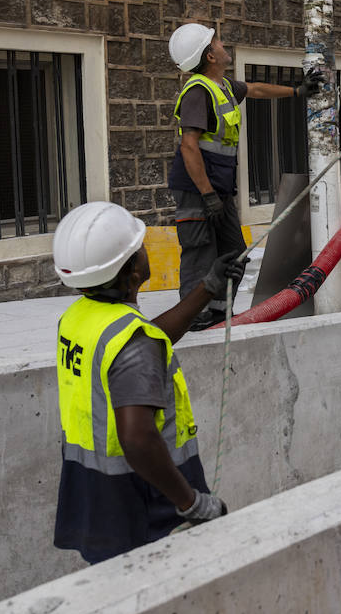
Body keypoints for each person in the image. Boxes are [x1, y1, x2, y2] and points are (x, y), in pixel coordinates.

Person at [50, 201, 245, 563]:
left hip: (96, 494)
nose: (144, 250)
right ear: (132, 272)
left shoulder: (79, 318)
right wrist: (191, 503)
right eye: (138, 248)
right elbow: (137, 438)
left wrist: (207, 288)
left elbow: (147, 339)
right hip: (145, 502)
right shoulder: (131, 343)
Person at [166, 23, 324, 330]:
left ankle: (218, 311)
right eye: (218, 41)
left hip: (219, 191)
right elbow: (189, 146)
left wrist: (297, 91)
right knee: (200, 253)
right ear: (210, 55)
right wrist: (208, 194)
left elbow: (255, 89)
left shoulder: (222, 86)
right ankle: (193, 316)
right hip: (198, 191)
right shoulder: (198, 92)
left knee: (235, 253)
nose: (224, 44)